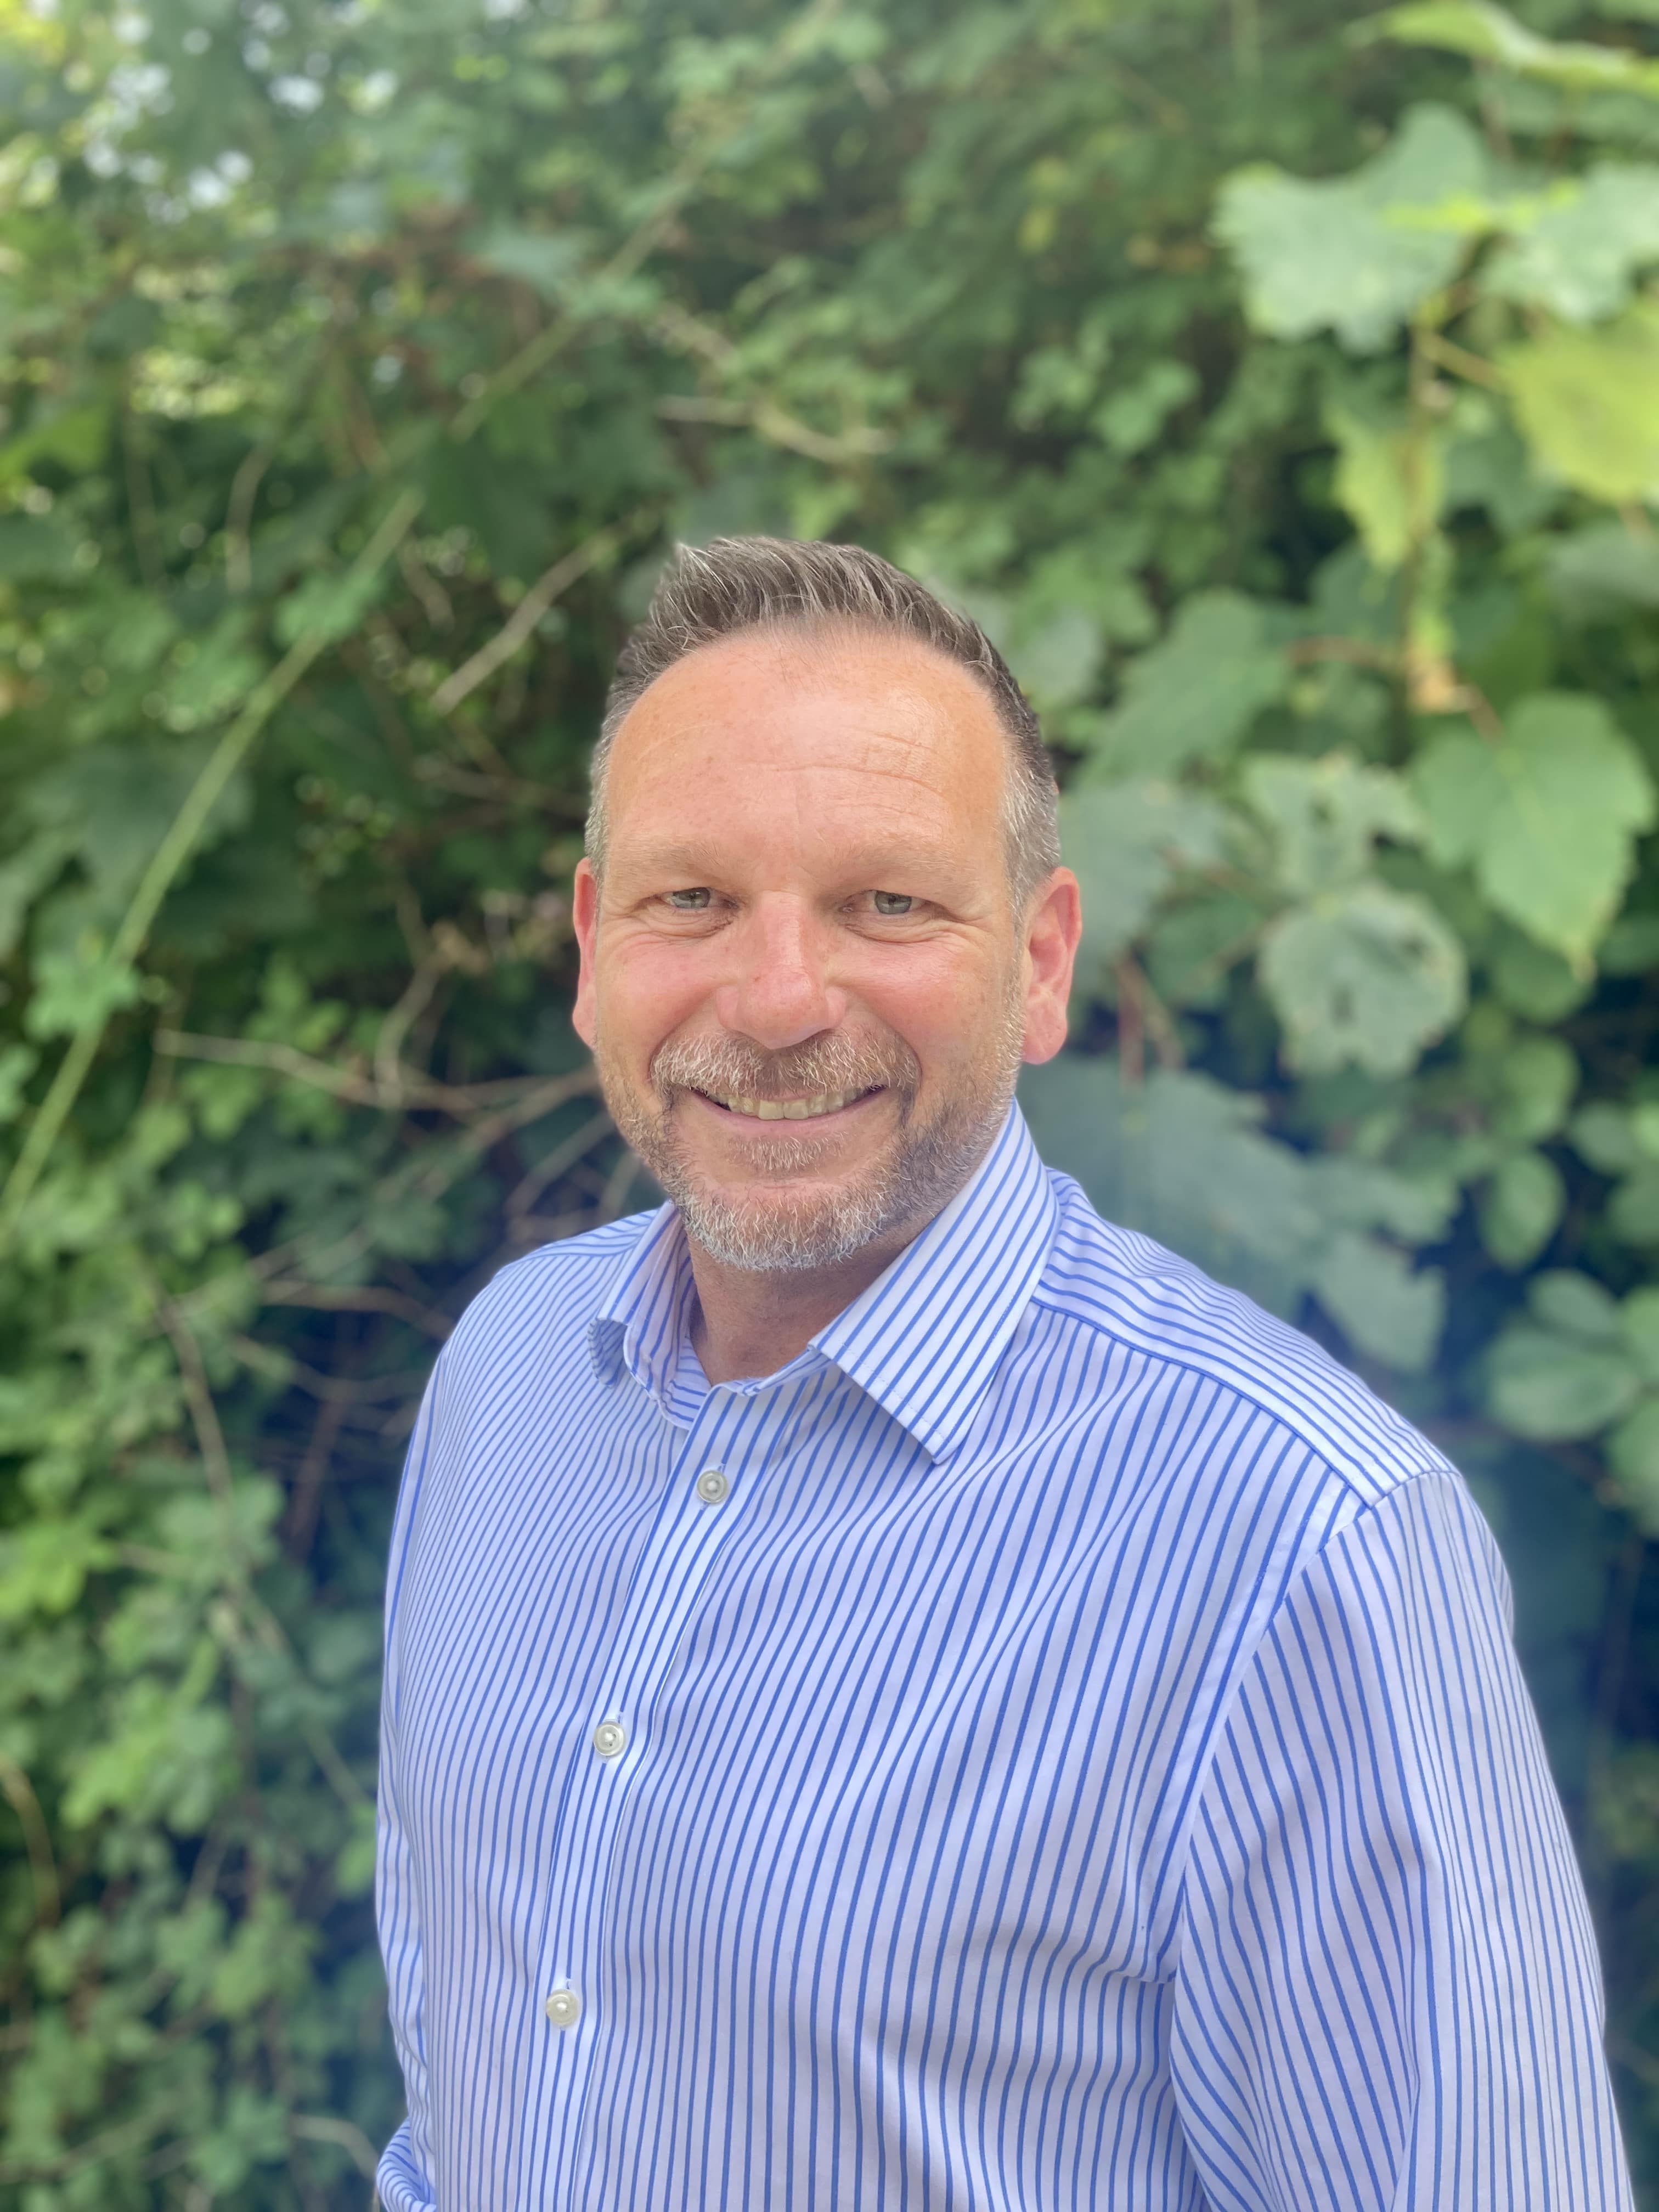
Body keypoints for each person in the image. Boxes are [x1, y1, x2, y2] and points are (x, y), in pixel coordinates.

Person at [374, 536, 1632, 2211]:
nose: (773, 1000)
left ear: (1040, 964)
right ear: (596, 942)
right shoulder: (507, 1376)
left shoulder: (1306, 1546)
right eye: (694, 899)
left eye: (888, 903)